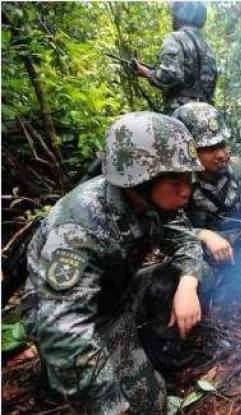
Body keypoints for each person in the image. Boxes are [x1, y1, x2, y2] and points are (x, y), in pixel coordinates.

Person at [22, 112, 205, 413]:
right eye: (176, 179)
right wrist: (111, 408)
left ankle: (146, 349)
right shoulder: (79, 225)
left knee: (194, 275)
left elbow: (185, 240)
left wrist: (188, 283)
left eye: (188, 177)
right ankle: (56, 378)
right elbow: (63, 327)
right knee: (150, 407)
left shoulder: (156, 199)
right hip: (82, 318)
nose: (187, 189)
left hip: (117, 295)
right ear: (138, 179)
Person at [172, 103, 241, 284]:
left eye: (222, 145)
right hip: (207, 257)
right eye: (210, 149)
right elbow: (168, 231)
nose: (221, 154)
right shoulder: (178, 185)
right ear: (189, 151)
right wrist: (204, 235)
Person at [135, 1, 217, 113]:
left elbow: (169, 75)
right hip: (206, 112)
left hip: (181, 112)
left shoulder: (175, 38)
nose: (173, 17)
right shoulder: (208, 46)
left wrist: (147, 73)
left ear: (181, 15)